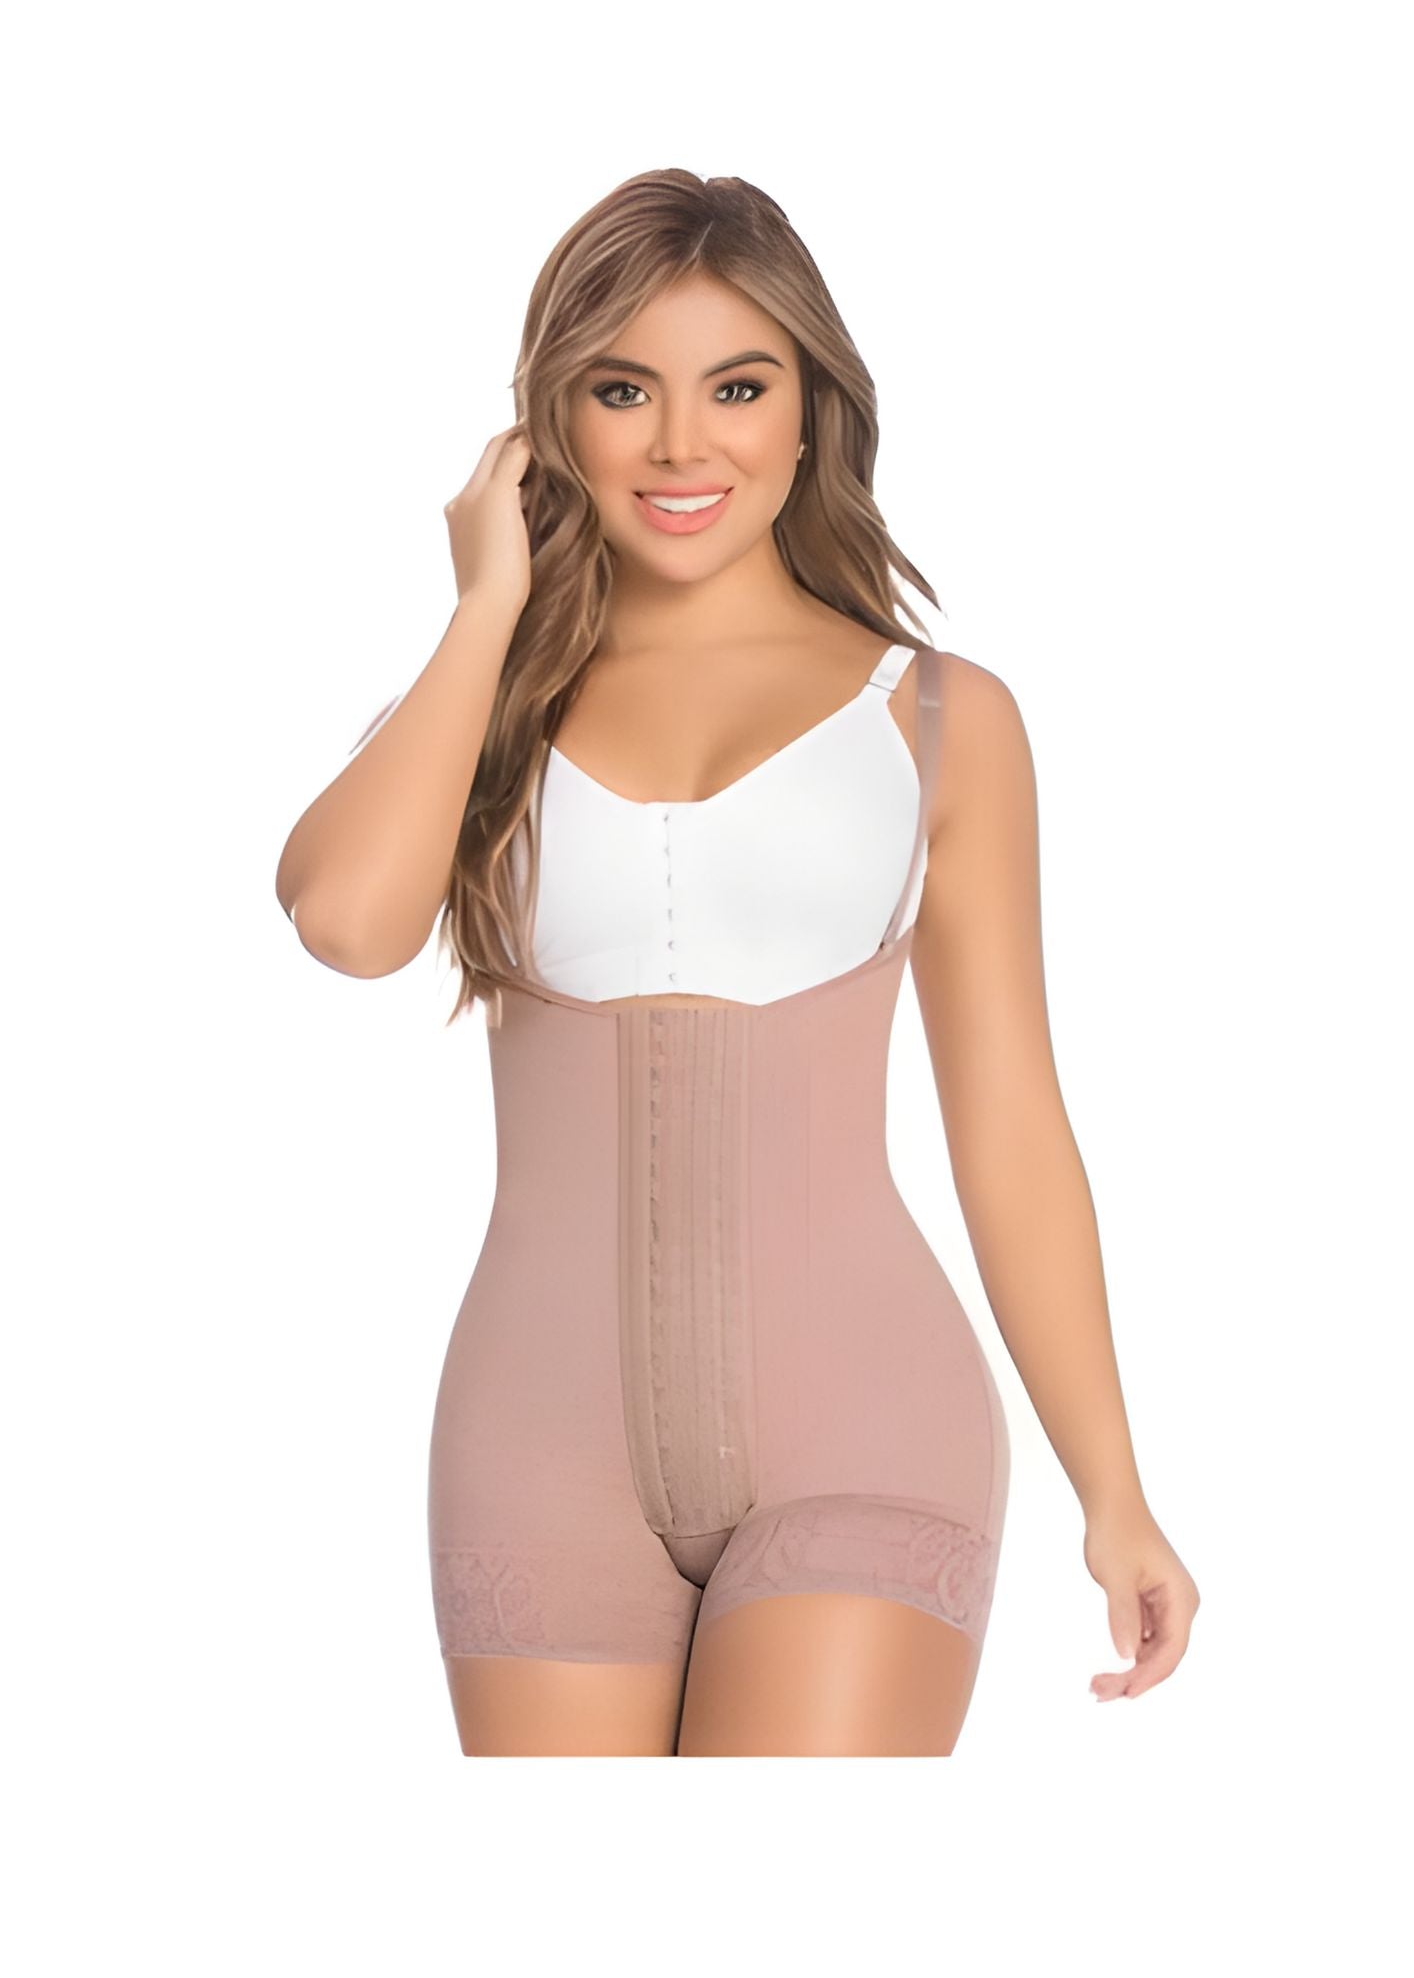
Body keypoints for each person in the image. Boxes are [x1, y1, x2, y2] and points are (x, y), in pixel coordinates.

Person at [275, 169, 1199, 1757]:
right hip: (534, 1449)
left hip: (865, 1429)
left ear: (809, 410)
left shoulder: (937, 718)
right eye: (622, 389)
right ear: (548, 421)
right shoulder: (477, 708)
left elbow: (1009, 1127)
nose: (681, 446)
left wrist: (1111, 1493)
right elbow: (346, 925)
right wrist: (489, 607)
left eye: (738, 387)